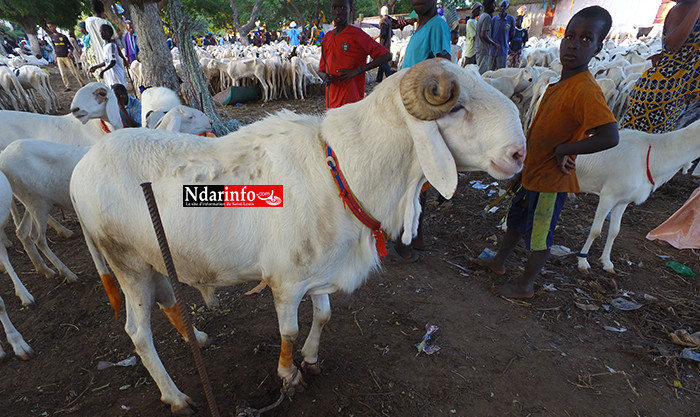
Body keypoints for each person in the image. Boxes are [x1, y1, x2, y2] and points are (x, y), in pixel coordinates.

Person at [471, 6, 619, 298]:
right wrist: (523, 170)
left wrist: (566, 149)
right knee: (515, 219)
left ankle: (525, 285)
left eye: (586, 39)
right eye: (570, 36)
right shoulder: (560, 83)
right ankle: (499, 261)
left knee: (538, 234)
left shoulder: (586, 90)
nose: (574, 44)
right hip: (534, 173)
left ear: (599, 47)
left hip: (551, 182)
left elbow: (609, 135)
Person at [388, 0, 451, 264]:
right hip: (410, 105)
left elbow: (442, 62)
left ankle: (403, 237)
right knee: (417, 173)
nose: (417, 2)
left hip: (421, 108)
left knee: (412, 175)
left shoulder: (437, 24)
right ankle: (416, 235)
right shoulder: (421, 25)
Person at [620, 0, 700, 134]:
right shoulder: (684, 8)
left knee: (649, 149)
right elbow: (672, 45)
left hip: (673, 96)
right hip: (659, 95)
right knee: (635, 146)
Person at [319, 0, 391, 109]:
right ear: (331, 10)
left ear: (350, 10)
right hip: (331, 104)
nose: (338, 12)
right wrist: (325, 77)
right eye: (334, 8)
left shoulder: (357, 34)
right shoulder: (327, 38)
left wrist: (358, 70)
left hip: (352, 104)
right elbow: (321, 70)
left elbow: (386, 56)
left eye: (343, 8)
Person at [46, 21, 83, 91]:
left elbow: (71, 47)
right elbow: (54, 48)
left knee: (74, 71)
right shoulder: (52, 37)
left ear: (54, 26)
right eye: (49, 27)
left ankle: (81, 83)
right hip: (59, 58)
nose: (50, 28)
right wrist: (55, 58)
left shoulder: (63, 36)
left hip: (66, 57)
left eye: (51, 26)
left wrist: (70, 53)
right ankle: (68, 86)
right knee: (63, 73)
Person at [85, 0, 118, 72]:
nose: (101, 34)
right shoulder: (106, 23)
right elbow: (115, 41)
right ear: (104, 9)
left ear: (92, 10)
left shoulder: (88, 21)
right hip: (108, 63)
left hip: (101, 58)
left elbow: (111, 62)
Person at [489, 1, 515, 70]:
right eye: (501, 6)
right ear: (499, 7)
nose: (503, 8)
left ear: (507, 7)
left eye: (504, 6)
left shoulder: (511, 19)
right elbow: (490, 35)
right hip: (492, 51)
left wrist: (505, 43)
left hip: (503, 51)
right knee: (490, 71)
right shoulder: (493, 20)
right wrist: (494, 44)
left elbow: (511, 34)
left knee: (501, 71)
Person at [475, 0, 497, 74]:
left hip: (479, 49)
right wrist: (494, 44)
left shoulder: (482, 16)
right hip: (483, 50)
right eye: (494, 4)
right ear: (489, 4)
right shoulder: (487, 17)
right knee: (482, 74)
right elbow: (484, 35)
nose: (495, 6)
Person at [376, 5, 395, 82]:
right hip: (388, 44)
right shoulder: (389, 21)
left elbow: (383, 34)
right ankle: (379, 78)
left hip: (383, 44)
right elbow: (391, 34)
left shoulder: (383, 21)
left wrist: (378, 37)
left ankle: (390, 74)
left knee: (383, 60)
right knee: (381, 60)